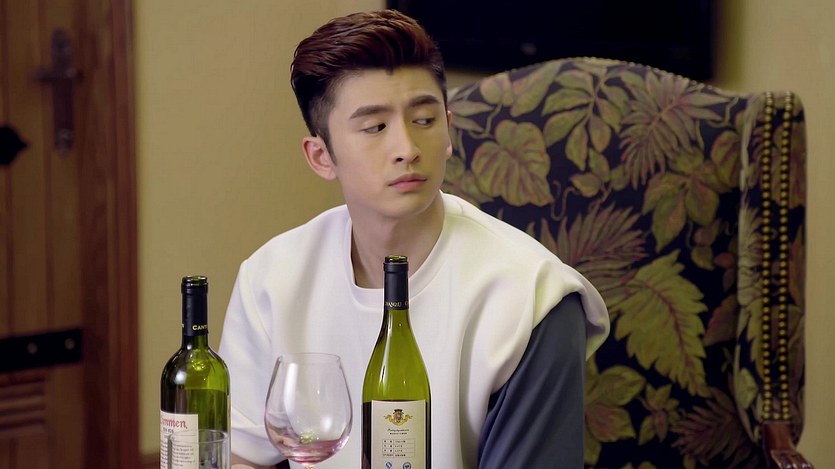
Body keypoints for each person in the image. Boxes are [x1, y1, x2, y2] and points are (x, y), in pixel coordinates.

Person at [219, 9, 610, 469]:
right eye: (375, 128)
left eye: (424, 120)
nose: (407, 149)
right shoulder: (272, 279)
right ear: (321, 157)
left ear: (448, 129)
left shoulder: (532, 299)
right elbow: (240, 455)